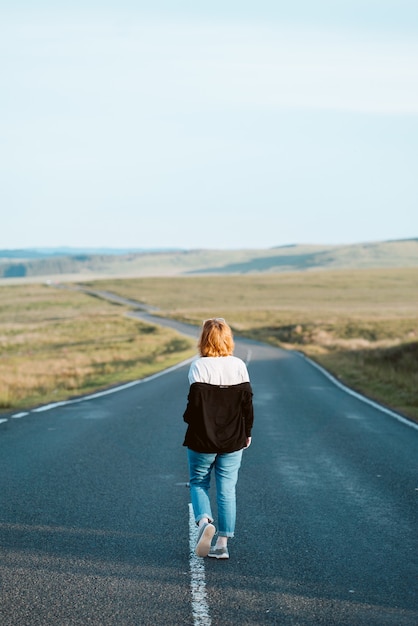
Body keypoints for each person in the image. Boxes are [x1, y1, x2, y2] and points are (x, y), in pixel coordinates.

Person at [183, 318, 254, 560]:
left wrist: (187, 419)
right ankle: (222, 544)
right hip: (234, 438)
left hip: (202, 439)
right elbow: (247, 406)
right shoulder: (239, 366)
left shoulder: (198, 367)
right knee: (227, 489)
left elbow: (192, 410)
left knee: (199, 481)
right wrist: (248, 432)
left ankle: (204, 521)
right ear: (228, 339)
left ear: (204, 339)